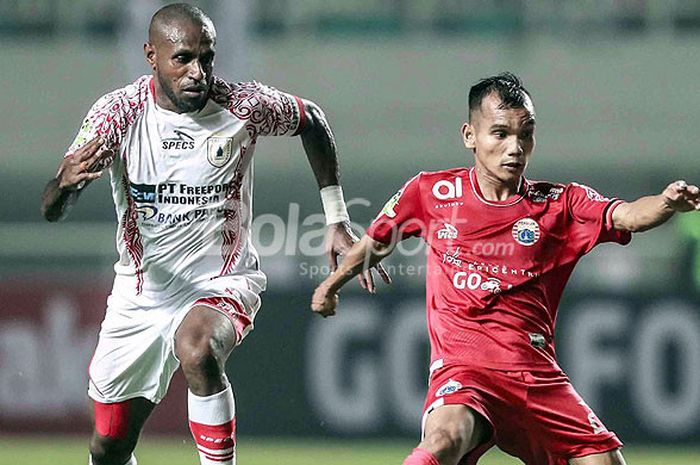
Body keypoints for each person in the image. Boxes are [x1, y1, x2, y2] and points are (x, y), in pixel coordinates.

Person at [40, 4, 387, 465]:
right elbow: (52, 209)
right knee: (108, 446)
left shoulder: (242, 105)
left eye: (207, 57)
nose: (197, 72)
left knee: (198, 347)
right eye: (183, 58)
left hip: (222, 282)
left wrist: (337, 218)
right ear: (151, 55)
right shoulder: (117, 115)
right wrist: (62, 187)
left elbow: (312, 120)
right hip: (141, 295)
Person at [311, 72, 700, 465]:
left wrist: (667, 203)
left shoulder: (560, 204)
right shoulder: (431, 193)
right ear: (469, 136)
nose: (514, 148)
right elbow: (377, 240)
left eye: (525, 134)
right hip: (465, 372)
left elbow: (629, 215)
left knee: (606, 462)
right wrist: (332, 284)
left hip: (536, 376)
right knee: (444, 439)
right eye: (500, 134)